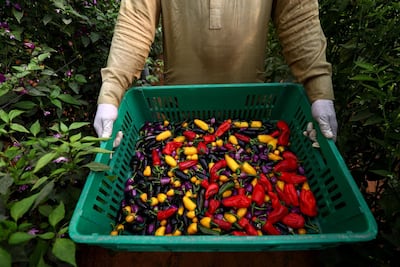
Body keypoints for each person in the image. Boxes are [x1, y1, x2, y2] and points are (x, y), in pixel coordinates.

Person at [94, 0, 337, 143]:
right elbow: (135, 21)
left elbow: (298, 19)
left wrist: (320, 90)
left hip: (252, 110)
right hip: (179, 112)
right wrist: (111, 93)